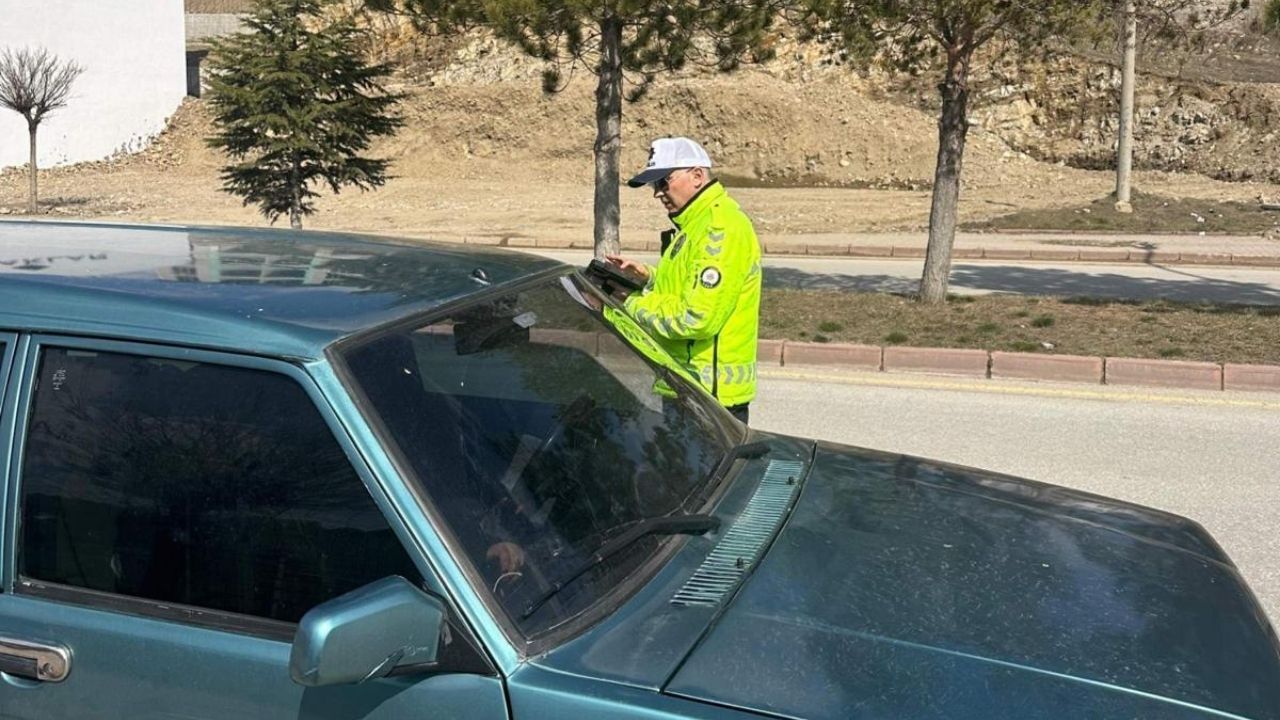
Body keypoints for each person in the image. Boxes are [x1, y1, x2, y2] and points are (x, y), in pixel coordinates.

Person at [608, 136, 761, 424]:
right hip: (687, 391)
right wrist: (647, 277)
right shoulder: (693, 224)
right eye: (655, 186)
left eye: (664, 182)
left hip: (710, 400)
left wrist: (629, 303)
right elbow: (685, 287)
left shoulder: (721, 229)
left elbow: (696, 318)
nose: (658, 193)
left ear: (697, 176)